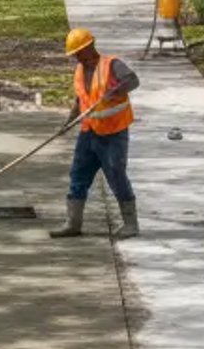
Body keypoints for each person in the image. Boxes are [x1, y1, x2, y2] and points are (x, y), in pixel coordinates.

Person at [51, 28, 141, 240]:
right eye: (74, 53)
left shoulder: (112, 65)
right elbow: (79, 100)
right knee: (78, 175)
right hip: (88, 132)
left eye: (78, 52)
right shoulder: (80, 71)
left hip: (113, 134)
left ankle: (131, 224)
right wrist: (68, 123)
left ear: (89, 47)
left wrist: (116, 89)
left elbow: (134, 81)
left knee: (116, 175)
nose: (75, 57)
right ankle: (73, 223)